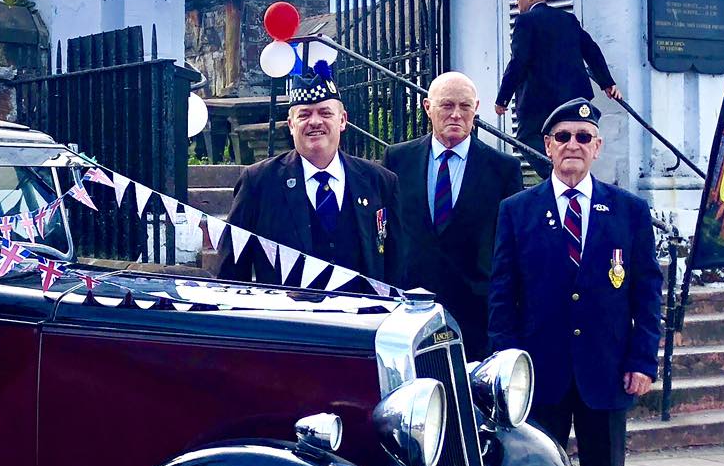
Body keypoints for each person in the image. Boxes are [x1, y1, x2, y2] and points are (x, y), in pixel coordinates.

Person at [489, 99, 660, 466]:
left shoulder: (627, 211)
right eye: (562, 136)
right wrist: (505, 369)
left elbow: (647, 291)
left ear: (597, 147)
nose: (572, 145)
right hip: (540, 376)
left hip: (605, 373)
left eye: (583, 137)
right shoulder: (517, 211)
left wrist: (642, 361)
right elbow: (503, 294)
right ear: (547, 146)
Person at [223, 62, 396, 287]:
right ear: (291, 124)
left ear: (342, 120)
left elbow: (397, 265)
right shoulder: (258, 182)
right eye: (304, 115)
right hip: (288, 318)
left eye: (325, 113)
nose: (315, 122)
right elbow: (233, 269)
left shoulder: (380, 181)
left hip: (365, 319)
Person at [386, 71, 522, 355]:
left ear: (476, 109)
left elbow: (511, 249)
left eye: (465, 107)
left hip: (476, 316)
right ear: (427, 108)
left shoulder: (503, 169)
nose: (456, 115)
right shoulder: (397, 160)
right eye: (447, 106)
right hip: (411, 313)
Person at [493, 0, 619, 162]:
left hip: (538, 98)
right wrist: (607, 83)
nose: (516, 3)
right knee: (566, 136)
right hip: (573, 96)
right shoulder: (568, 18)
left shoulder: (525, 21)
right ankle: (564, 173)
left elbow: (518, 62)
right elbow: (591, 49)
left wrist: (503, 99)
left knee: (526, 137)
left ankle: (556, 173)